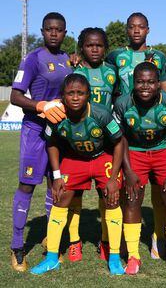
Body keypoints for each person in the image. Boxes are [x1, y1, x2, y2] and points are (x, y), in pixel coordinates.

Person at [30, 73, 125, 275]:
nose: (75, 97)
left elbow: (118, 142)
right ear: (62, 96)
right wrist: (56, 176)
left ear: (88, 95)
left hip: (102, 157)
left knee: (112, 200)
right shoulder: (56, 115)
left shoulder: (102, 114)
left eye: (80, 93)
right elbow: (52, 143)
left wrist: (113, 177)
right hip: (74, 159)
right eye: (70, 93)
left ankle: (115, 257)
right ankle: (52, 257)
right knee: (60, 199)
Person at [10, 12, 71, 272]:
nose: (54, 33)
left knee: (54, 185)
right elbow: (14, 96)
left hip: (59, 132)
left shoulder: (69, 59)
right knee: (26, 185)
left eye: (58, 30)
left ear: (65, 33)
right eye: (49, 29)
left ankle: (50, 239)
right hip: (35, 130)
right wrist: (40, 105)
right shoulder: (33, 58)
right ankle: (17, 246)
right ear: (43, 31)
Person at [106, 12, 166, 259]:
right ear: (126, 30)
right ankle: (125, 239)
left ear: (148, 29)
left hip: (153, 124)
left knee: (159, 189)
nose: (136, 31)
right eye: (131, 27)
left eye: (140, 27)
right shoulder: (115, 56)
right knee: (129, 189)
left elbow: (164, 88)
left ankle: (158, 236)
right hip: (126, 124)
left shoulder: (159, 57)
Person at [113, 62, 166, 275]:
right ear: (133, 83)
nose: (146, 86)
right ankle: (134, 255)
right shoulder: (122, 103)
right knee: (133, 199)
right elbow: (120, 138)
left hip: (164, 151)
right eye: (140, 82)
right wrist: (128, 169)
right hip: (134, 152)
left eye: (151, 82)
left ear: (158, 83)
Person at [64, 27, 118, 262]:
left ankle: (105, 241)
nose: (94, 49)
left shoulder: (112, 72)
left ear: (105, 48)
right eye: (89, 45)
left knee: (105, 193)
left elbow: (118, 100)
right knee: (73, 195)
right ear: (81, 47)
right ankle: (75, 242)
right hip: (75, 142)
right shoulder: (73, 71)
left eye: (99, 45)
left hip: (104, 142)